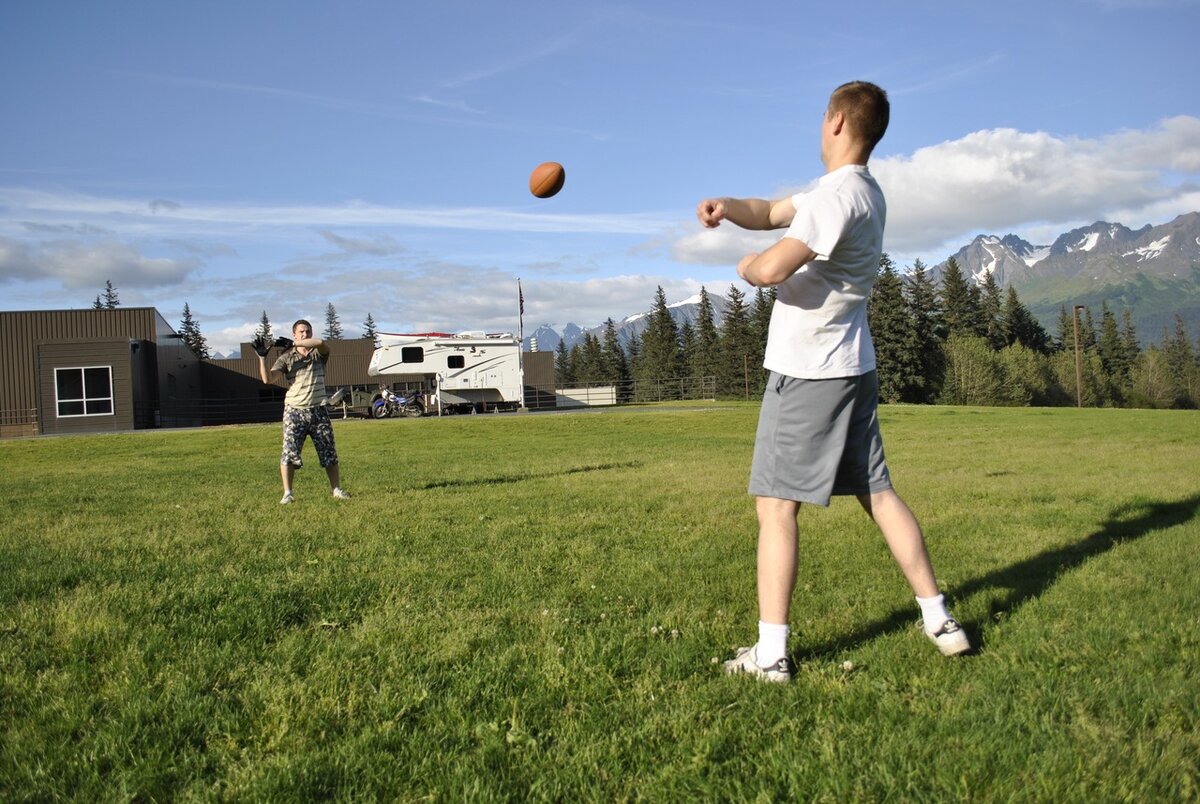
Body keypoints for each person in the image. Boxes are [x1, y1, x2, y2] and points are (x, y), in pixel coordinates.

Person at [696, 81, 968, 683]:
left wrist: (743, 265)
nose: (820, 127)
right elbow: (767, 214)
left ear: (838, 121)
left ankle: (771, 656)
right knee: (877, 490)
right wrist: (726, 207)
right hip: (853, 367)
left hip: (809, 373)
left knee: (775, 505)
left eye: (823, 119)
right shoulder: (861, 193)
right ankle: (939, 619)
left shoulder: (834, 200)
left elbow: (768, 266)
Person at [255, 319, 350, 504]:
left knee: (329, 452)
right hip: (294, 411)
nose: (305, 334)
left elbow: (322, 343)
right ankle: (288, 494)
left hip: (318, 410)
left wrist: (294, 344)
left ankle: (336, 489)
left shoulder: (319, 354)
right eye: (301, 332)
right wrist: (262, 358)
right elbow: (268, 379)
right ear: (294, 334)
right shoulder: (286, 358)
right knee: (289, 453)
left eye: (308, 331)